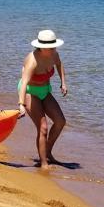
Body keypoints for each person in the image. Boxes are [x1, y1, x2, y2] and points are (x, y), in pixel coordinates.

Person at [17, 30, 69, 170]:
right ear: (42, 47)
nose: (54, 49)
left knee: (60, 121)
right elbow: (24, 83)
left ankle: (47, 152)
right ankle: (44, 164)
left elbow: (59, 64)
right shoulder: (32, 60)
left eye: (54, 46)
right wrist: (21, 105)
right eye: (51, 47)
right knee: (43, 128)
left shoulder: (54, 55)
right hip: (30, 92)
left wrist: (63, 82)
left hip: (44, 91)